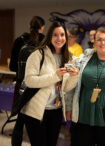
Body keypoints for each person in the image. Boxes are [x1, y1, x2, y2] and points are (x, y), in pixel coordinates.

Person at [20, 21, 79, 146]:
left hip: (56, 110)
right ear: (49, 36)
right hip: (36, 112)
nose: (59, 38)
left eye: (62, 35)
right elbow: (29, 81)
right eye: (55, 35)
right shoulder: (37, 55)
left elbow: (66, 87)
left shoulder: (69, 58)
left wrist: (75, 76)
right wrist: (55, 76)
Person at [9, 16, 45, 146]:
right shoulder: (44, 41)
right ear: (42, 27)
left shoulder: (19, 40)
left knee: (20, 121)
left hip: (22, 85)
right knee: (37, 121)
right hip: (39, 85)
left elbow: (12, 67)